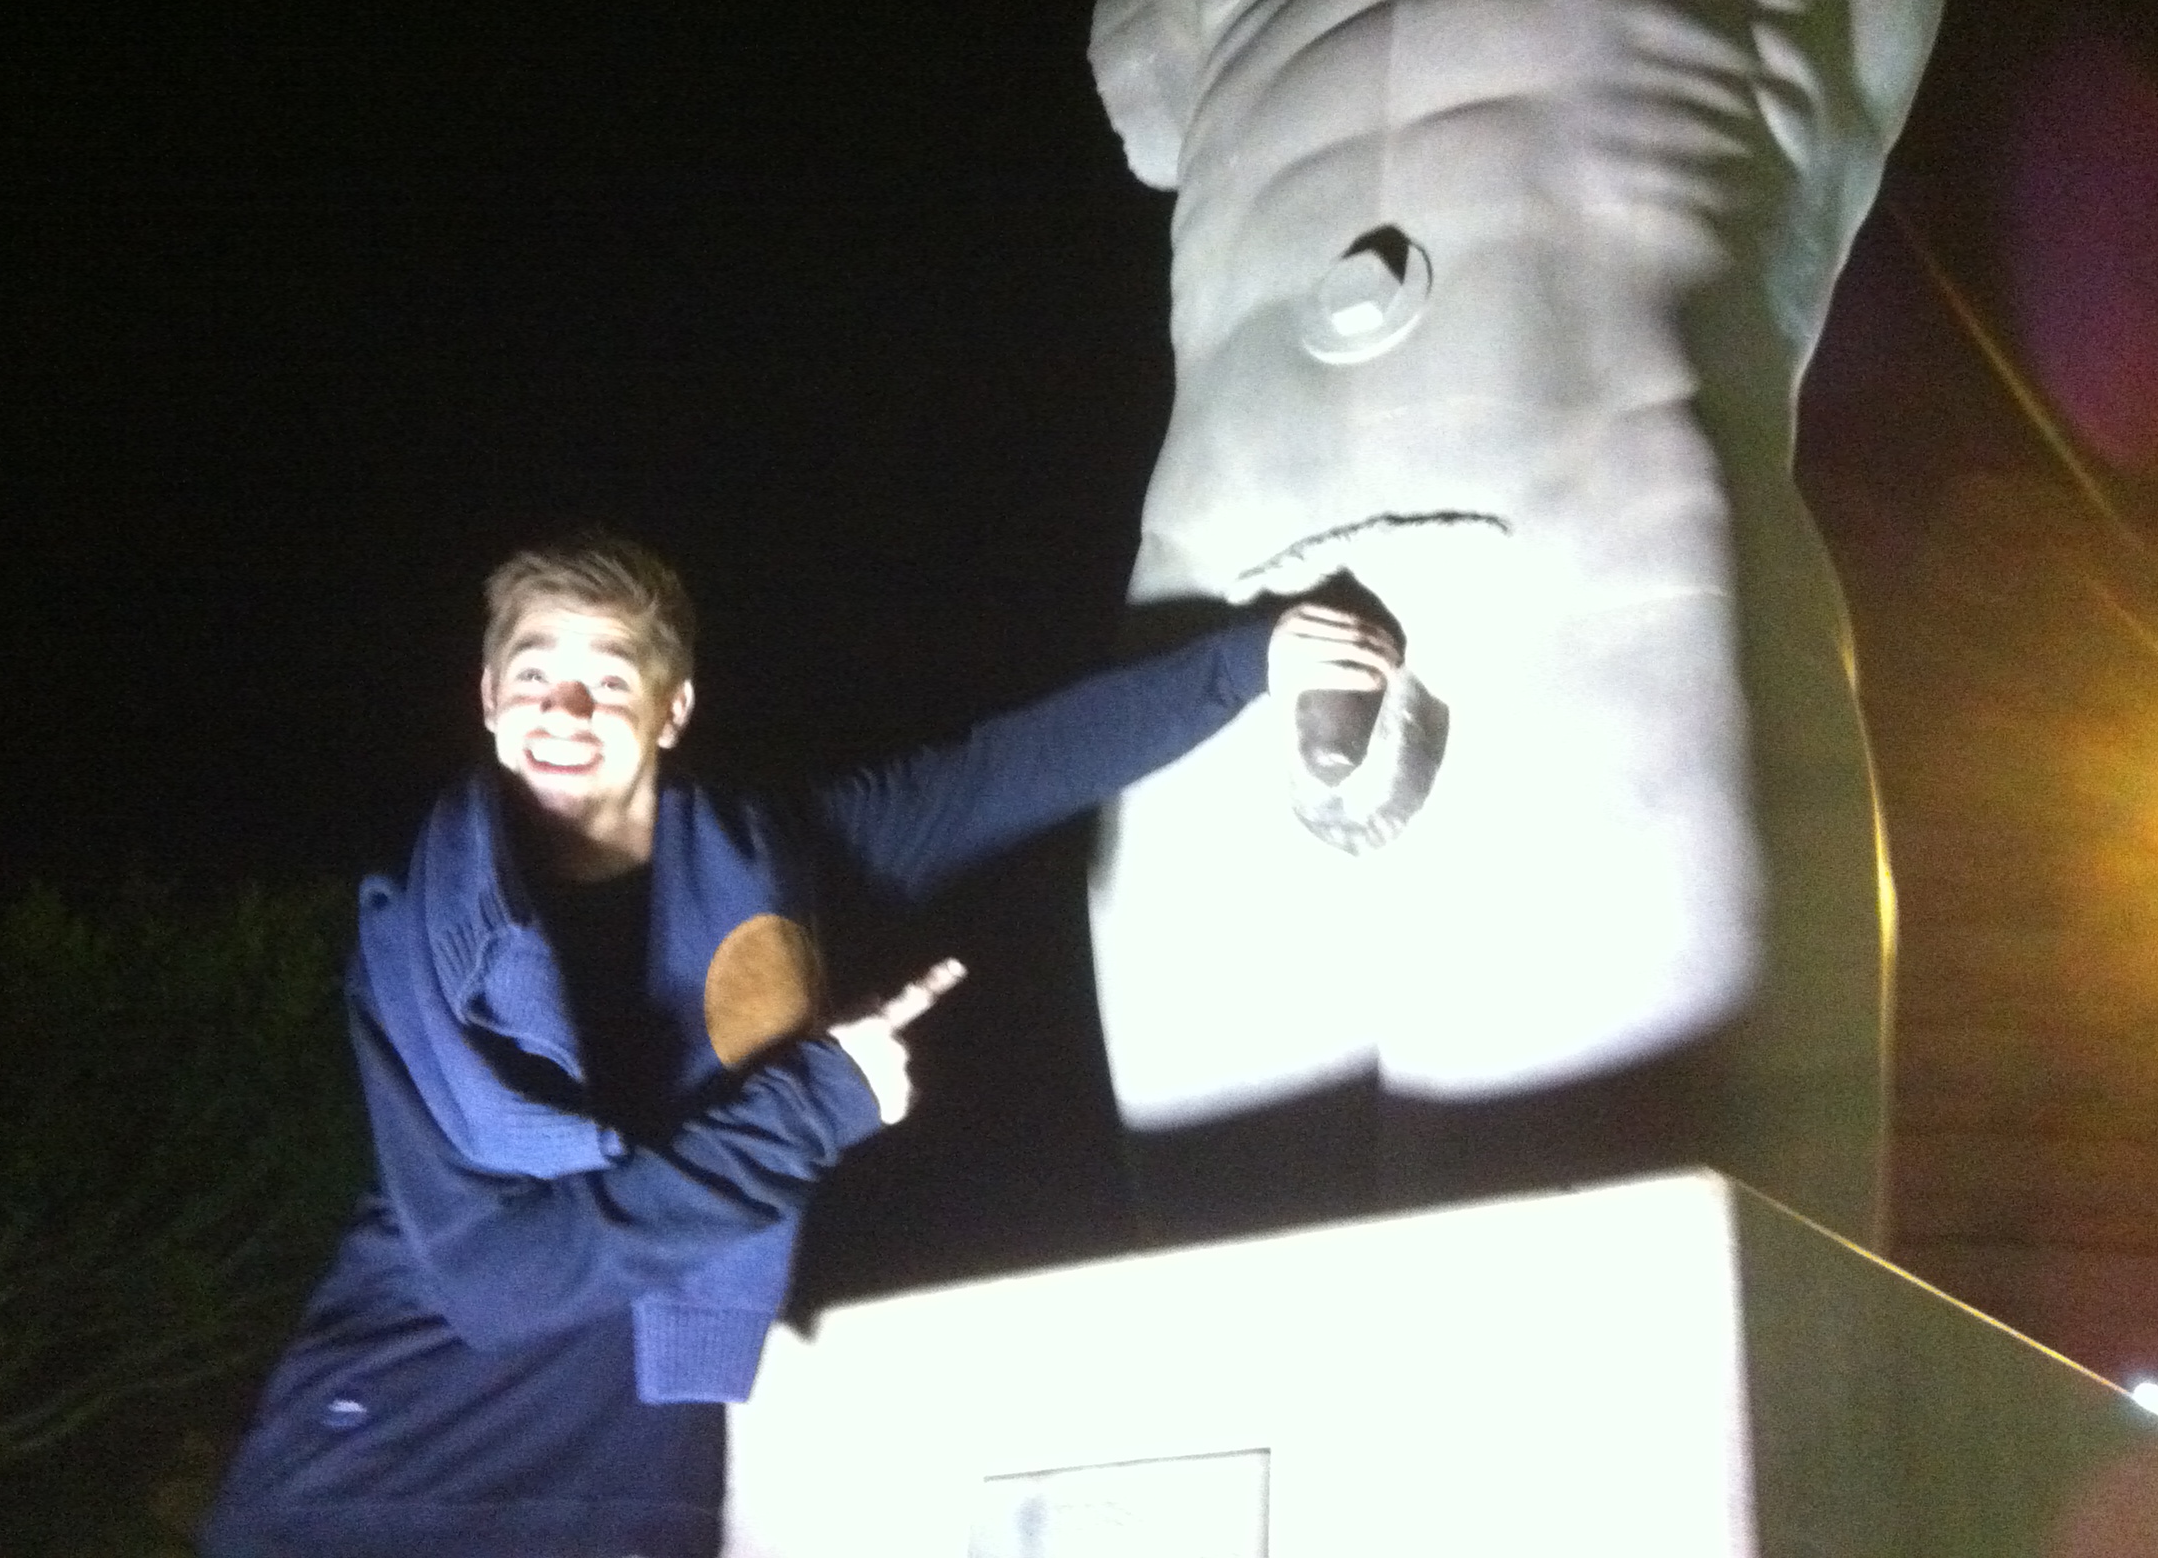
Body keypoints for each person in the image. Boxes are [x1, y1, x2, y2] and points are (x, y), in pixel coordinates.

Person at [198, 535, 1392, 1558]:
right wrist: (815, 1103)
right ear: (489, 698)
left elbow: (1001, 774)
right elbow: (503, 1277)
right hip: (388, 1458)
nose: (566, 711)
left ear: (672, 708)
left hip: (631, 1474)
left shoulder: (779, 859)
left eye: (607, 680)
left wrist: (1249, 663)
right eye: (535, 675)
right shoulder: (419, 934)